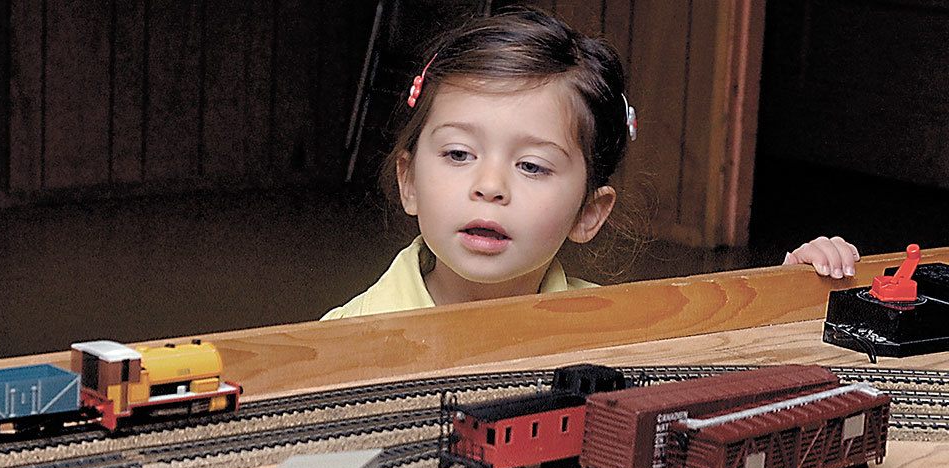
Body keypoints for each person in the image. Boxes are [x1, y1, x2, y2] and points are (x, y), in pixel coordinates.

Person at [321, 8, 859, 320]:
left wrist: (789, 292)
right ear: (409, 181)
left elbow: (718, 378)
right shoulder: (339, 338)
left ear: (589, 213)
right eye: (459, 154)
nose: (489, 185)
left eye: (532, 166)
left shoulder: (615, 328)